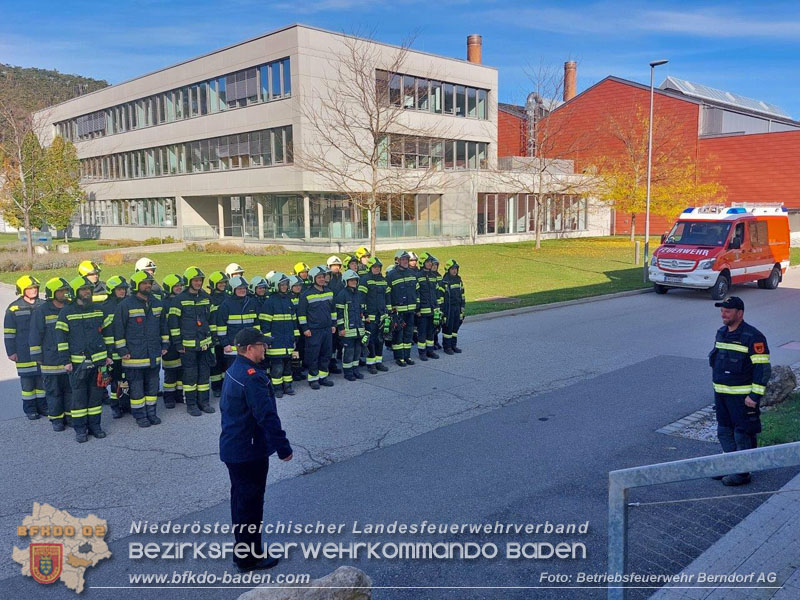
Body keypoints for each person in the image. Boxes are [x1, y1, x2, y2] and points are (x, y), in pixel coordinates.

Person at [219, 327, 292, 573]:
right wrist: (283, 447)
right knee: (250, 506)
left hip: (235, 448)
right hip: (248, 452)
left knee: (240, 503)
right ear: (249, 348)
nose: (266, 348)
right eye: (262, 345)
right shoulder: (252, 376)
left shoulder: (235, 369)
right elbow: (267, 415)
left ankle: (242, 551)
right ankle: (250, 558)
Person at [709, 296, 771, 486]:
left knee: (742, 433)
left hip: (742, 398)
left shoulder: (753, 337)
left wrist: (754, 396)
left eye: (728, 311)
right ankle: (729, 465)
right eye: (722, 310)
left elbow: (762, 369)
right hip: (722, 395)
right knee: (724, 431)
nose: (723, 314)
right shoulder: (721, 333)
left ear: (740, 313)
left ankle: (742, 473)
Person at [56, 276, 112, 443]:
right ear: (75, 292)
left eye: (89, 289)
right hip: (77, 363)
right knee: (79, 399)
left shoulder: (99, 309)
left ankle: (95, 426)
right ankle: (80, 430)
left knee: (95, 398)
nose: (87, 292)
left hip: (99, 362)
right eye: (83, 289)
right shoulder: (66, 312)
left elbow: (107, 334)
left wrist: (109, 355)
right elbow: (61, 340)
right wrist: (65, 361)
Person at [114, 271, 168, 428]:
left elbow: (163, 326)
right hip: (134, 357)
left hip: (153, 355)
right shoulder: (125, 305)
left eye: (149, 283)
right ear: (136, 285)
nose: (148, 286)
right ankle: (140, 415)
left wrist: (165, 345)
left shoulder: (157, 303)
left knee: (153, 386)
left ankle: (152, 413)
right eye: (144, 283)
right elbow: (119, 330)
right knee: (136, 389)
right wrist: (122, 350)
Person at [169, 266, 216, 416]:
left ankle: (204, 402)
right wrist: (178, 343)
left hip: (205, 344)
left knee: (204, 374)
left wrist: (213, 339)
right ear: (189, 281)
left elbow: (212, 320)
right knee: (190, 375)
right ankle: (191, 404)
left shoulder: (206, 298)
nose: (198, 283)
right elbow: (173, 324)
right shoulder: (179, 300)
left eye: (200, 280)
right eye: (195, 280)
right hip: (187, 346)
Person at [30, 277, 73, 431]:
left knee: (70, 390)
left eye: (65, 290)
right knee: (54, 392)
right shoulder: (42, 311)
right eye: (61, 291)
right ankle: (56, 420)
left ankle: (70, 417)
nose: (64, 293)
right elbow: (35, 335)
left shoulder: (70, 307)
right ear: (52, 293)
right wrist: (37, 357)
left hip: (68, 358)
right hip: (50, 360)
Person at [5, 275, 45, 419]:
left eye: (35, 288)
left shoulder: (43, 304)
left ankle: (43, 407)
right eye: (29, 288)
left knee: (42, 380)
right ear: (22, 290)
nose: (33, 290)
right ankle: (30, 410)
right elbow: (9, 333)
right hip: (23, 351)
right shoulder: (14, 308)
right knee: (27, 383)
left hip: (41, 350)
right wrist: (11, 351)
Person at [297, 266, 336, 389]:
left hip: (327, 329)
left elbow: (333, 311)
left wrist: (334, 324)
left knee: (326, 353)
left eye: (323, 277)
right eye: (319, 277)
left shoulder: (329, 292)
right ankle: (313, 378)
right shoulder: (306, 295)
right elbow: (301, 314)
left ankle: (323, 377)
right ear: (313, 279)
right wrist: (305, 329)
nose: (322, 279)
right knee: (313, 355)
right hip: (313, 330)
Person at [260, 273, 296, 398]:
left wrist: (294, 336)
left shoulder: (288, 300)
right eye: (282, 285)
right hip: (276, 341)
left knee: (287, 366)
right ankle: (277, 388)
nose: (285, 287)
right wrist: (268, 340)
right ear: (276, 286)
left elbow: (293, 321)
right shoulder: (270, 302)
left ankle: (288, 386)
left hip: (288, 340)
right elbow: (265, 324)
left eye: (286, 284)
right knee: (277, 367)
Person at [102, 276, 131, 418]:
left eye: (124, 289)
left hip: (128, 350)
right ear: (112, 290)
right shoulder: (105, 307)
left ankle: (126, 403)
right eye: (119, 289)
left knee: (126, 379)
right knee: (115, 380)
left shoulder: (129, 303)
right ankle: (115, 406)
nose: (123, 291)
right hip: (112, 351)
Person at [217, 276, 259, 371]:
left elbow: (256, 324)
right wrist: (225, 344)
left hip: (249, 347)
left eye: (244, 288)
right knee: (235, 372)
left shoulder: (251, 303)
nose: (242, 290)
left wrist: (257, 340)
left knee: (250, 372)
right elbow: (221, 327)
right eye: (239, 288)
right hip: (232, 348)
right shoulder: (226, 305)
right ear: (232, 290)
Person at [386, 251, 419, 367]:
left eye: (407, 259)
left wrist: (417, 306)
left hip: (410, 311)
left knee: (408, 334)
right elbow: (388, 293)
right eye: (403, 259)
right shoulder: (391, 275)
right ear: (398, 261)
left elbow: (417, 290)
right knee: (398, 335)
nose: (405, 261)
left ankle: (407, 356)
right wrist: (390, 309)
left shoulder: (412, 274)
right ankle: (399, 358)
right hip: (398, 311)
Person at [359, 257, 390, 374]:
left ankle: (379, 362)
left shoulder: (383, 280)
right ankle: (370, 364)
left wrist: (388, 311)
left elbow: (387, 296)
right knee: (370, 340)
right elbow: (361, 298)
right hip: (370, 316)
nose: (377, 269)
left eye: (378, 267)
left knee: (380, 339)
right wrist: (364, 314)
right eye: (374, 267)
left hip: (381, 315)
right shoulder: (365, 280)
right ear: (370, 268)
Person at [335, 269, 366, 381]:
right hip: (347, 330)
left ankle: (355, 370)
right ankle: (348, 373)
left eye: (355, 280)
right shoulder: (342, 295)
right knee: (349, 352)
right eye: (351, 280)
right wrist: (341, 328)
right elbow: (339, 313)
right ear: (345, 281)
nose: (353, 282)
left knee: (357, 351)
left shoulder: (358, 294)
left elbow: (361, 310)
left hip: (358, 329)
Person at [161, 274, 185, 409]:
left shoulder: (182, 301)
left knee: (182, 370)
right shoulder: (163, 304)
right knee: (170, 371)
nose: (179, 288)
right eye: (176, 286)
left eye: (180, 286)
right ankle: (168, 397)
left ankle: (179, 394)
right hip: (169, 342)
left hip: (182, 340)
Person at [207, 271, 230, 397]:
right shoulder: (209, 299)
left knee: (226, 362)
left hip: (226, 334)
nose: (222, 285)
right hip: (214, 336)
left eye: (224, 282)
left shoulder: (229, 297)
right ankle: (216, 387)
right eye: (219, 283)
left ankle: (226, 385)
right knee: (216, 363)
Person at [415, 252, 440, 361]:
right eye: (428, 262)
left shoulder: (434, 276)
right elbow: (416, 294)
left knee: (431, 331)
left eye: (431, 262)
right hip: (423, 310)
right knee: (422, 332)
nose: (430, 264)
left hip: (433, 309)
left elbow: (437, 293)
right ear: (422, 263)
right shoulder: (418, 276)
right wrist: (418, 309)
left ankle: (430, 351)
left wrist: (437, 307)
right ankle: (422, 352)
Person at [439, 259, 466, 354]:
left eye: (456, 269)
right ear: (448, 270)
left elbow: (462, 295)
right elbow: (441, 298)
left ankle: (453, 345)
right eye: (452, 269)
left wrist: (462, 307)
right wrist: (442, 311)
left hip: (457, 308)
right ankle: (447, 347)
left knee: (455, 328)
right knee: (448, 328)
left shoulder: (459, 280)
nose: (454, 271)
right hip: (448, 309)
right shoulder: (444, 282)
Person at [288, 275, 305, 382]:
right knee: (294, 351)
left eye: (300, 285)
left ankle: (299, 368)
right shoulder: (289, 298)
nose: (298, 288)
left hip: (302, 327)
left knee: (301, 349)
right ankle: (295, 372)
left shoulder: (303, 296)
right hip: (293, 328)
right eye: (296, 286)